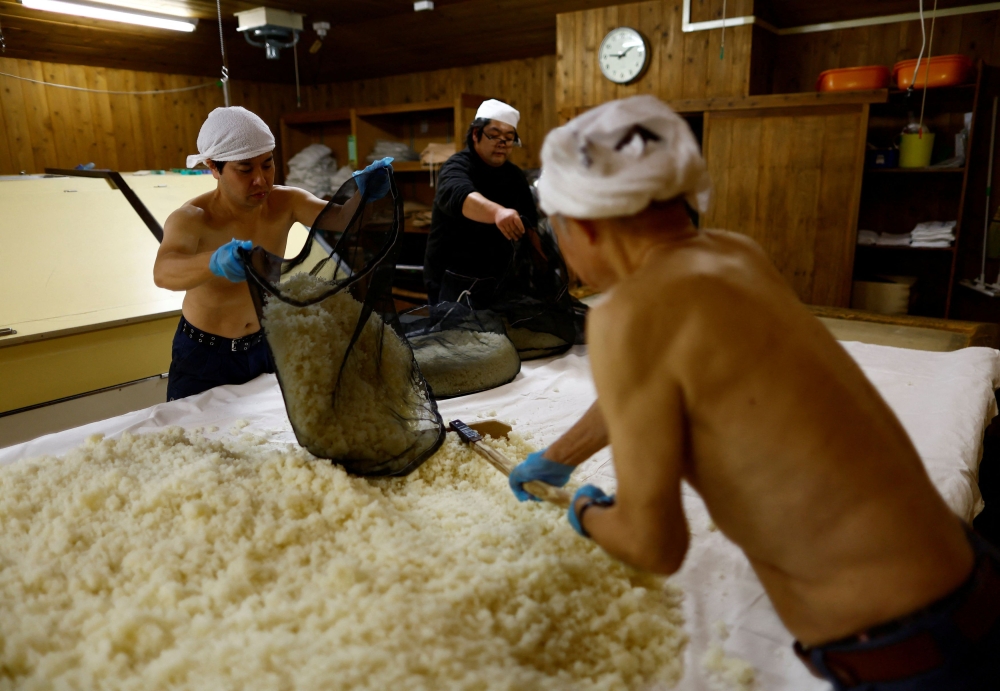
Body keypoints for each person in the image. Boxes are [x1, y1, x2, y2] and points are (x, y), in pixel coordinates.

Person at [508, 95, 1000, 690]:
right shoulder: (735, 253)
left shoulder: (624, 315)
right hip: (974, 579)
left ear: (581, 223)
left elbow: (654, 544)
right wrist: (557, 457)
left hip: (904, 652)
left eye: (555, 229)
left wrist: (587, 509)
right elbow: (648, 383)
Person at [153, 106, 392, 402]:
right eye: (245, 169)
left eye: (267, 165)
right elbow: (164, 272)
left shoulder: (286, 201)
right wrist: (214, 261)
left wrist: (363, 194)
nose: (260, 180)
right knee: (196, 438)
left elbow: (343, 219)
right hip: (205, 355)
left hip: (264, 344)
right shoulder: (192, 217)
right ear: (214, 168)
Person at [423, 99, 538, 306]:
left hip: (497, 279)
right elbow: (459, 195)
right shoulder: (456, 167)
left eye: (509, 138)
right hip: (452, 280)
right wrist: (497, 213)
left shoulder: (514, 176)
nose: (502, 143)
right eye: (494, 135)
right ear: (476, 134)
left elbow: (530, 226)